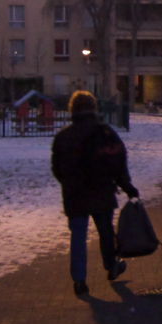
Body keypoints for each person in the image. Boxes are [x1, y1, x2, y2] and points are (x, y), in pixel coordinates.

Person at [50, 91, 139, 294]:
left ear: (72, 109)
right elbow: (118, 164)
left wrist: (69, 183)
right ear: (94, 108)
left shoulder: (63, 137)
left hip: (75, 194)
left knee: (78, 237)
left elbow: (56, 168)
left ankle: (79, 280)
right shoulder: (104, 134)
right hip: (102, 191)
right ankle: (111, 265)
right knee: (106, 232)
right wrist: (128, 188)